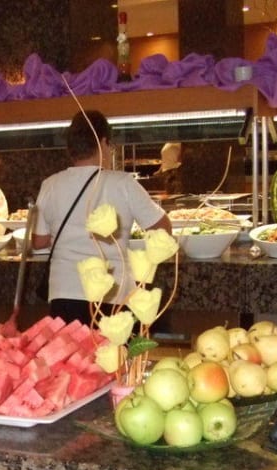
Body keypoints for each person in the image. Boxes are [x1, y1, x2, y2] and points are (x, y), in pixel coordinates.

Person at [31, 110, 172, 325]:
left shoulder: (50, 184)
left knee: (70, 348)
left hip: (64, 292)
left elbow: (39, 242)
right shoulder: (123, 183)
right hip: (112, 293)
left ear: (71, 148)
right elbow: (163, 229)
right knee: (110, 347)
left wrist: (71, 234)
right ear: (104, 143)